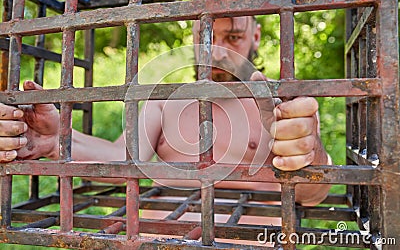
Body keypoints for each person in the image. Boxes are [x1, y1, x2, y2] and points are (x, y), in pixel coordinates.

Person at [0, 16, 331, 209]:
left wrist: (307, 153)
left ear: (255, 37)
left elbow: (313, 194)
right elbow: (123, 159)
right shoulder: (165, 102)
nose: (216, 51)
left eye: (232, 37)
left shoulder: (282, 105)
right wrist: (56, 141)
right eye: (206, 36)